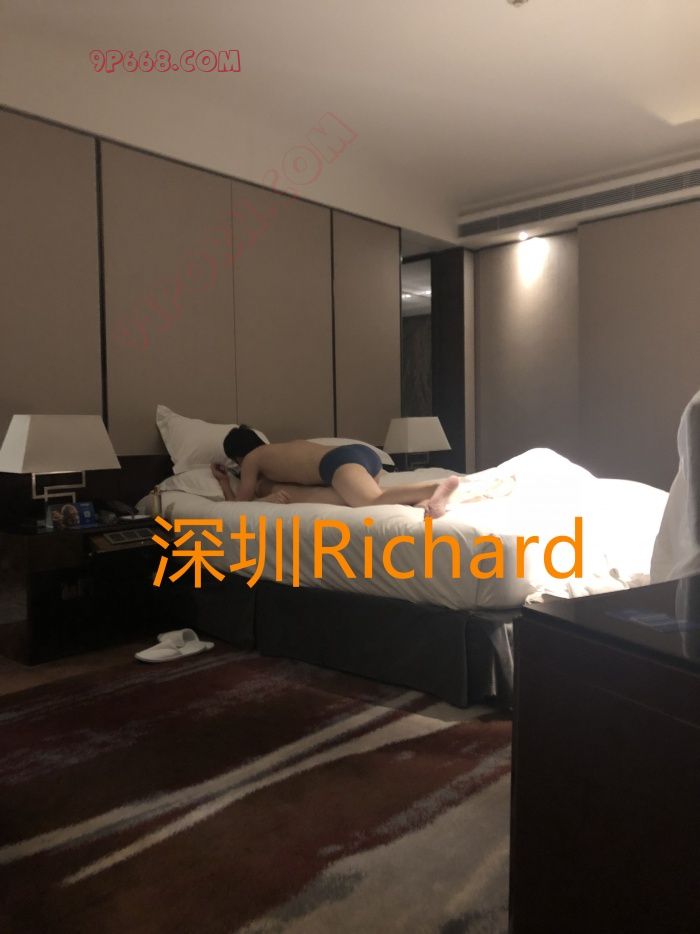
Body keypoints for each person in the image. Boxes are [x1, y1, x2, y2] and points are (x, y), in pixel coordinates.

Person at [211, 425, 460, 518]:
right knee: (370, 496)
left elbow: (240, 504)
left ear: (237, 457)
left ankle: (434, 488)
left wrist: (224, 482)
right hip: (362, 455)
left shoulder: (252, 459)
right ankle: (423, 502)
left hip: (337, 462)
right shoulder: (275, 450)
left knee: (369, 500)